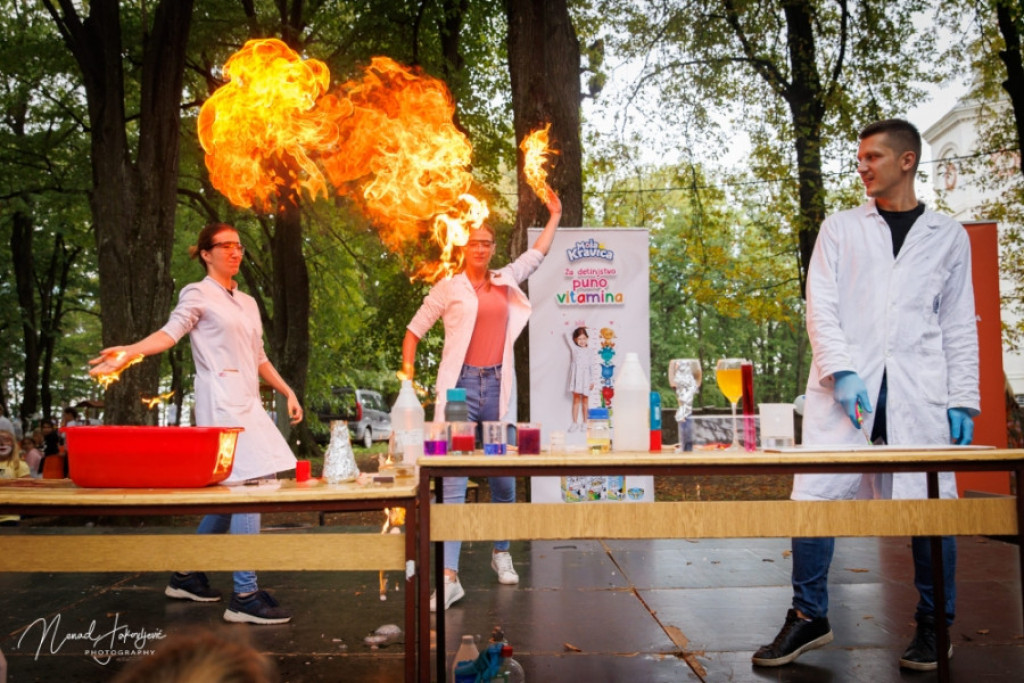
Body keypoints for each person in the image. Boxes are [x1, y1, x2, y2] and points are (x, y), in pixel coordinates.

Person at [752, 119, 980, 672]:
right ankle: (809, 617)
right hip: (845, 394)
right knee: (814, 501)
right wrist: (843, 372)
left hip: (917, 394)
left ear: (906, 160)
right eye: (859, 158)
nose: (862, 166)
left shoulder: (948, 236)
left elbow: (957, 324)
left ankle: (934, 625)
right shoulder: (840, 229)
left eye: (873, 157)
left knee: (929, 507)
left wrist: (962, 398)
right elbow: (821, 309)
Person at [89, 222, 304, 625]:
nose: (235, 252)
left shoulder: (248, 302)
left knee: (235, 493)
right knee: (249, 488)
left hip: (249, 404)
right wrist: (130, 352)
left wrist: (287, 390)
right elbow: (169, 334)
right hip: (221, 404)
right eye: (226, 246)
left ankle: (186, 575)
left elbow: (258, 357)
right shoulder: (197, 293)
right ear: (206, 253)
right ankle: (245, 595)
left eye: (239, 246)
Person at [402, 187, 562, 611]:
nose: (480, 249)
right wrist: (408, 381)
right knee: (453, 480)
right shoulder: (448, 288)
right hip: (460, 392)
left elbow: (538, 254)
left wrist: (555, 215)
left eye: (487, 243)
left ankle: (501, 551)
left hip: (497, 389)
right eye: (474, 242)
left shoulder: (505, 279)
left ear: (492, 248)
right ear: (463, 246)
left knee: (503, 478)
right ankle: (449, 577)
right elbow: (414, 331)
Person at [565, 326, 594, 432]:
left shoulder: (590, 351)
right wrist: (580, 327)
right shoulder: (574, 349)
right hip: (576, 378)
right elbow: (567, 333)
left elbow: (591, 367)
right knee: (576, 400)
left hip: (586, 378)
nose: (582, 341)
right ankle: (575, 422)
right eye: (579, 339)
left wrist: (592, 381)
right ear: (575, 340)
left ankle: (585, 423)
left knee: (585, 400)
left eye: (584, 338)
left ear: (587, 338)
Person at [0, 429, 31, 525]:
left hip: (9, 515)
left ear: (13, 444)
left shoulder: (19, 465)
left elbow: (28, 489)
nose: (2, 443)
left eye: (6, 440)